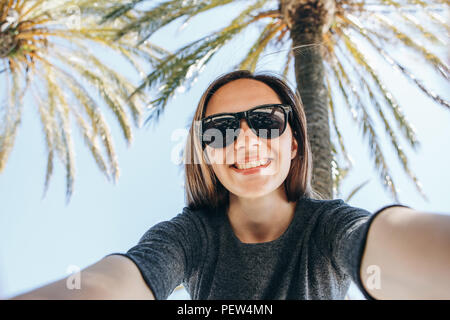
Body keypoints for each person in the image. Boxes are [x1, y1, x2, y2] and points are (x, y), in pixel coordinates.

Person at [9, 70, 450, 300]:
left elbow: (388, 244)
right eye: (220, 128)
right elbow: (119, 282)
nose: (244, 138)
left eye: (265, 121)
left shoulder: (330, 226)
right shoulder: (187, 237)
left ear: (293, 142)